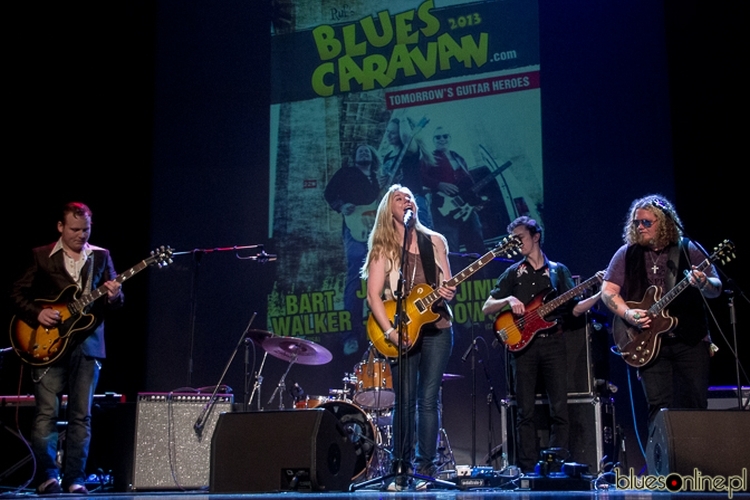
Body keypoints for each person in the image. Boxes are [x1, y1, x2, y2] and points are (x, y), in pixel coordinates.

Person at [11, 202, 123, 494]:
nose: (81, 235)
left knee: (81, 415)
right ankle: (47, 477)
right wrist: (37, 313)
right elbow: (17, 294)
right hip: (47, 342)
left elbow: (116, 304)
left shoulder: (101, 257)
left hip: (88, 346)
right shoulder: (40, 256)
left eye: (86, 229)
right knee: (46, 413)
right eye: (74, 229)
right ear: (61, 227)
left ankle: (76, 478)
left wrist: (115, 296)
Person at [361, 184, 455, 489]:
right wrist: (389, 329)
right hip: (400, 331)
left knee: (428, 400)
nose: (406, 201)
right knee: (405, 401)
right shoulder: (383, 248)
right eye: (399, 198)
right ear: (389, 209)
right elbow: (374, 295)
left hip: (437, 326)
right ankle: (400, 469)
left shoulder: (435, 241)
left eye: (409, 197)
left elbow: (448, 287)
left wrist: (449, 290)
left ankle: (426, 469)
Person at [482, 216, 591, 473]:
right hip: (523, 347)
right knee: (525, 412)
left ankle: (558, 464)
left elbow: (574, 310)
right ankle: (528, 467)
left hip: (553, 342)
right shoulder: (513, 273)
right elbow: (487, 307)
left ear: (536, 236)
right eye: (513, 239)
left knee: (560, 409)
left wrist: (598, 294)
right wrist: (508, 299)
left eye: (520, 237)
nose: (516, 243)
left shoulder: (557, 271)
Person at [600, 195, 721, 427]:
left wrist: (704, 282)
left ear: (664, 222)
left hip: (690, 339)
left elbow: (716, 289)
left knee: (695, 404)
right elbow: (608, 291)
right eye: (636, 223)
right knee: (657, 407)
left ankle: (694, 461)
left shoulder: (687, 249)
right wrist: (628, 314)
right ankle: (662, 461)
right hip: (647, 342)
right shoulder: (627, 253)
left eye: (647, 222)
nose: (640, 227)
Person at [324, 145, 382, 356]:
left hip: (377, 230)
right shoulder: (346, 173)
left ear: (373, 156)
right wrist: (341, 205)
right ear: (354, 156)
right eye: (360, 151)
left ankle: (382, 333)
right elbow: (328, 193)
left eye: (368, 150)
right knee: (355, 277)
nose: (364, 152)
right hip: (354, 228)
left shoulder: (377, 177)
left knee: (384, 278)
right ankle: (350, 336)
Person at [422, 126, 485, 255]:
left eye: (445, 136)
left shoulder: (459, 158)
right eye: (438, 137)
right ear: (433, 140)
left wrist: (476, 200)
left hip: (466, 208)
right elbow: (420, 177)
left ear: (450, 139)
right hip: (443, 209)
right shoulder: (428, 158)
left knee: (476, 241)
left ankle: (481, 274)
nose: (442, 139)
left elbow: (468, 183)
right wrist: (439, 184)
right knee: (450, 246)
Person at [380, 117, 435, 228]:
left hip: (413, 199)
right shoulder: (387, 157)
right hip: (395, 205)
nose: (389, 135)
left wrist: (403, 118)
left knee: (421, 238)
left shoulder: (411, 149)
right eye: (388, 132)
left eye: (393, 133)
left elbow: (406, 137)